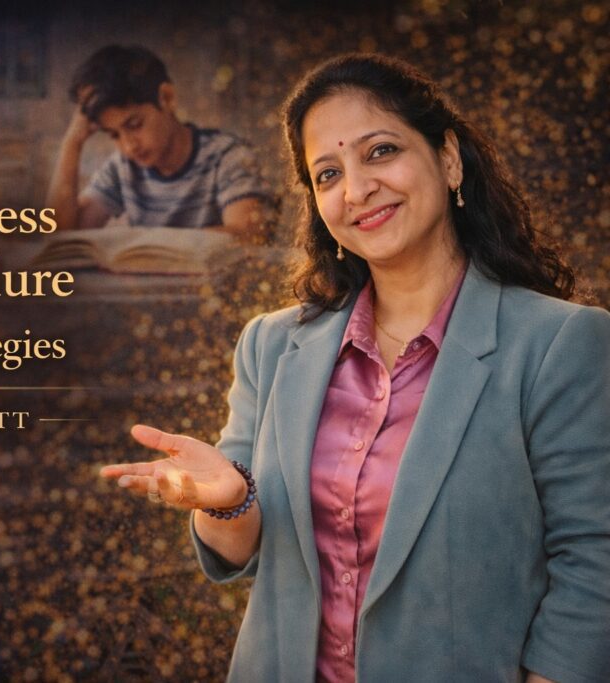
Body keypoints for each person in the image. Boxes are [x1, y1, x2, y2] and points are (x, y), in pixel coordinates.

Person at [99, 53, 610, 683]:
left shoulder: (560, 343)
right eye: (328, 173)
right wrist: (227, 502)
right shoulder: (271, 344)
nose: (356, 189)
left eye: (380, 151)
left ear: (448, 159)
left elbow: (595, 562)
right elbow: (241, 554)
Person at [46, 44, 273, 241]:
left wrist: (142, 241)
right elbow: (61, 237)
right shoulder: (124, 166)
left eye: (134, 125)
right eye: (114, 135)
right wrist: (72, 142)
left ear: (167, 98)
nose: (128, 146)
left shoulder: (228, 156)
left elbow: (251, 235)